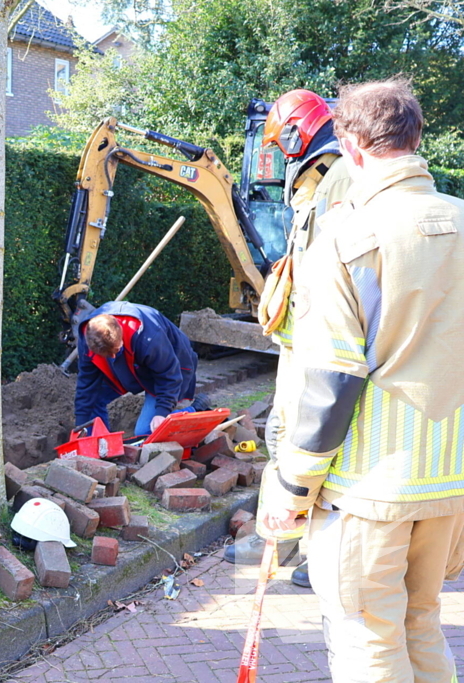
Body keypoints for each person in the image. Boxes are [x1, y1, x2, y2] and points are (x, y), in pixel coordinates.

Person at [261, 78, 464, 682]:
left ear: (349, 145)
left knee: (366, 639)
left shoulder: (346, 237)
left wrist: (291, 489)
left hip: (370, 486)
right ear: (417, 136)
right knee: (421, 622)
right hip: (450, 480)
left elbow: (331, 380)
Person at [225, 90, 353, 590]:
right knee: (281, 435)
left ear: (299, 132)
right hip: (300, 340)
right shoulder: (317, 177)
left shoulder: (336, 176)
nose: (282, 156)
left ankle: (310, 554)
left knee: (305, 442)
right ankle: (281, 540)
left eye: (282, 144)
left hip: (321, 341)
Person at [74, 301, 208, 436]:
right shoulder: (88, 340)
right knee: (93, 401)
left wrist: (161, 412)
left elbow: (169, 376)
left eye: (116, 350)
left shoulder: (149, 338)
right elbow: (87, 384)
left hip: (171, 365)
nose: (113, 356)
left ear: (121, 333)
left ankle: (196, 410)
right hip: (130, 364)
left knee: (145, 431)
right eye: (108, 355)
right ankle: (100, 445)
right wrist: (81, 425)